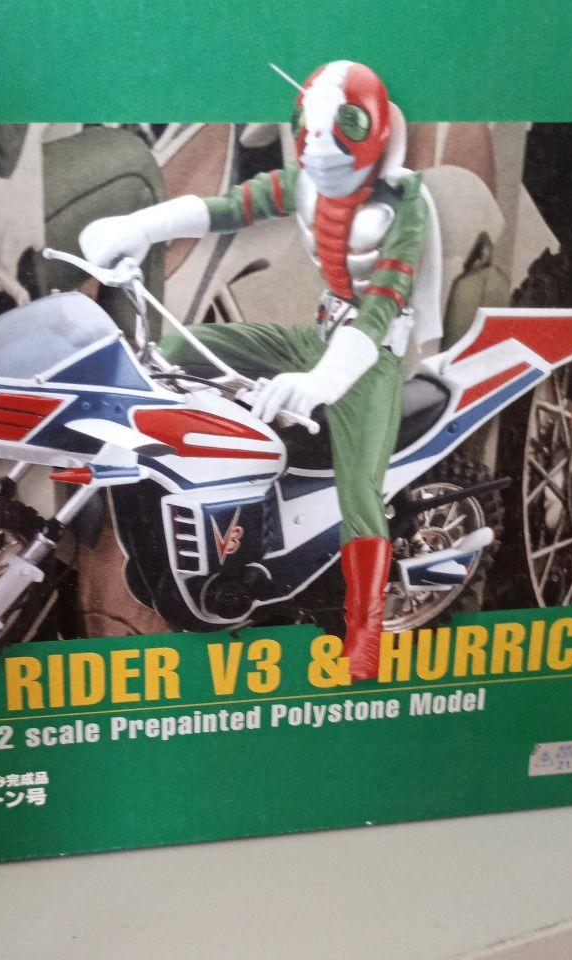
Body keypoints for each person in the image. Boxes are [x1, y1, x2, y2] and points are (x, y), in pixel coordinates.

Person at [79, 61, 441, 680]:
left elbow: (382, 306)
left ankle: (365, 632)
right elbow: (228, 208)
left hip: (369, 356)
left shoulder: (404, 206)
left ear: (375, 128)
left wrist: (322, 382)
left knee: (361, 491)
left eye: (344, 125)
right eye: (309, 125)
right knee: (179, 349)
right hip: (316, 334)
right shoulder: (303, 182)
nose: (320, 143)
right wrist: (139, 227)